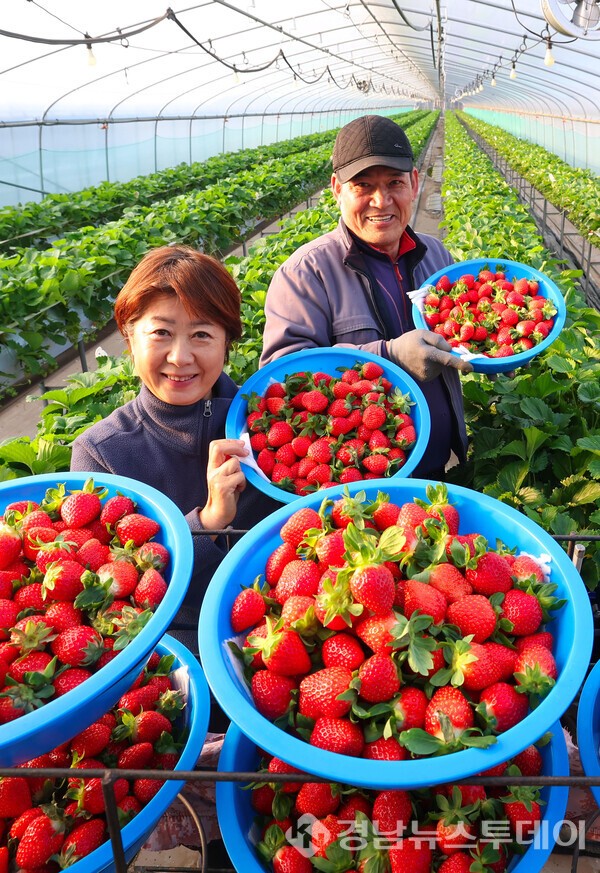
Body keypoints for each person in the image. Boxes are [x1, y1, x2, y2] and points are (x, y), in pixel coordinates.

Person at [70, 244, 280, 633]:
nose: (180, 357)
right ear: (130, 341)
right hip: (177, 650)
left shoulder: (273, 423)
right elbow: (109, 592)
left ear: (226, 344)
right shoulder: (102, 453)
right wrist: (208, 521)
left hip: (290, 629)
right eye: (161, 333)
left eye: (201, 334)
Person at [260, 114, 474, 479]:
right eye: (363, 186)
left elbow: (454, 335)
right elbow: (284, 379)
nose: (381, 200)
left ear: (415, 183)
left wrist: (489, 355)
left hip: (438, 465)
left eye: (394, 183)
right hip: (360, 483)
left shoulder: (438, 256)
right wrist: (387, 356)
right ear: (336, 189)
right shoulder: (305, 274)